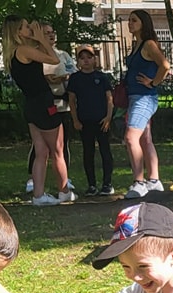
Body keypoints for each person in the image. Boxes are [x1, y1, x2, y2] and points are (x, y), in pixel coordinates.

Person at [2, 16, 74, 207]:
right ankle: (64, 191)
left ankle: (39, 195)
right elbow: (54, 59)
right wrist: (42, 38)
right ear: (17, 31)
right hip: (44, 104)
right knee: (57, 150)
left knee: (41, 151)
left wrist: (38, 38)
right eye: (26, 27)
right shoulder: (24, 50)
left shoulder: (13, 54)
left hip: (31, 105)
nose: (30, 29)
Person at [122, 10, 170, 200]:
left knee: (130, 138)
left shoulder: (149, 44)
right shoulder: (137, 45)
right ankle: (154, 180)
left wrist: (153, 82)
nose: (130, 23)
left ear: (144, 23)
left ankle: (139, 182)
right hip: (135, 97)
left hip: (144, 98)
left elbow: (165, 65)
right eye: (129, 20)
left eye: (134, 20)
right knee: (145, 140)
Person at [23, 23, 76, 194]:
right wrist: (47, 79)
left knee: (61, 144)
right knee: (39, 146)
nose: (51, 36)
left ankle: (64, 179)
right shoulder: (32, 54)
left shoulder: (63, 55)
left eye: (53, 32)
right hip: (43, 103)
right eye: (46, 33)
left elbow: (73, 73)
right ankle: (34, 179)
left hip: (61, 104)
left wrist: (63, 78)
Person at [68, 44, 115, 196]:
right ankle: (92, 185)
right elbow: (72, 101)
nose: (86, 61)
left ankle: (107, 183)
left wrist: (108, 117)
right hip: (84, 121)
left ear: (95, 59)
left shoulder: (102, 77)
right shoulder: (75, 78)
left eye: (89, 57)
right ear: (78, 61)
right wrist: (75, 120)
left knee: (105, 151)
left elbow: (109, 99)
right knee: (88, 152)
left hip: (101, 120)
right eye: (82, 58)